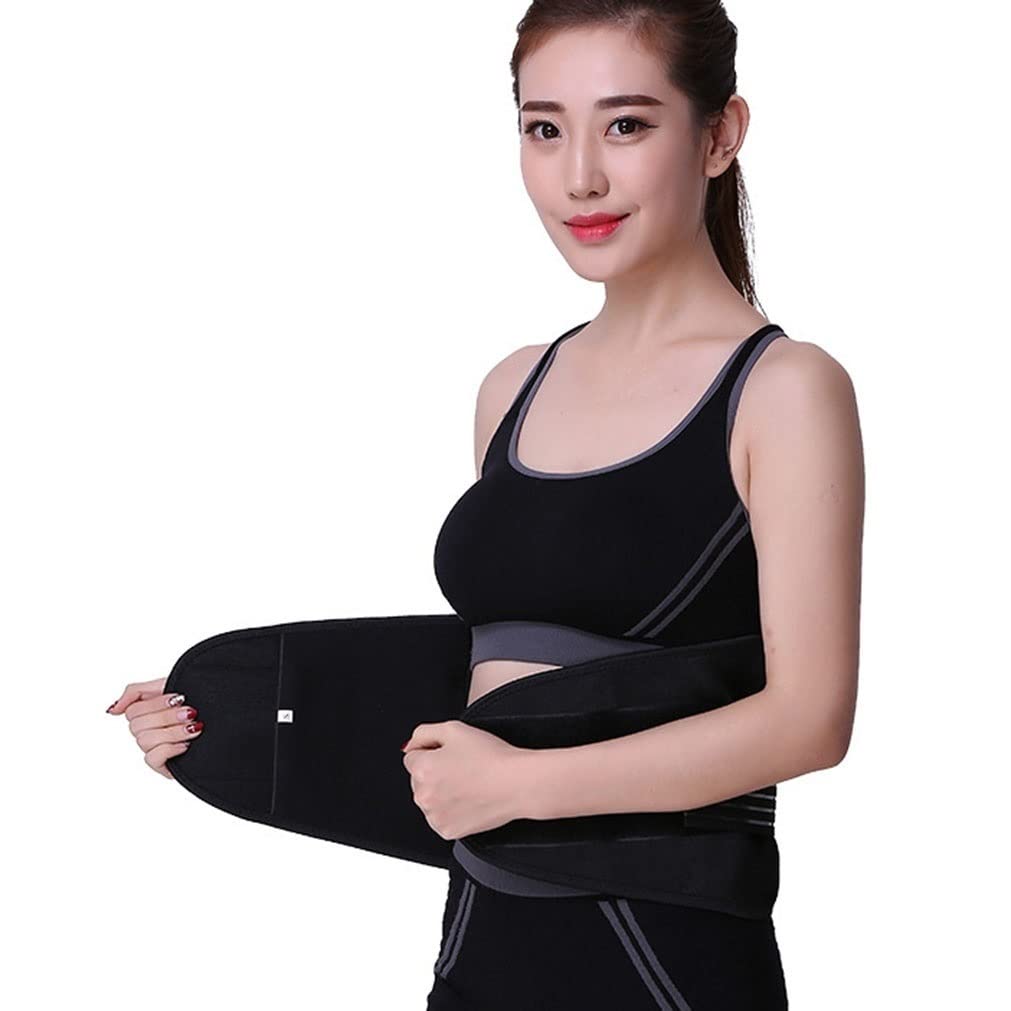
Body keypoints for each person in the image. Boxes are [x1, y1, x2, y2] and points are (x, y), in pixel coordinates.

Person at [108, 2, 863, 1008]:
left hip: (669, 967)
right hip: (479, 951)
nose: (579, 176)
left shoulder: (783, 390)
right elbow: (491, 705)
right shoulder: (513, 388)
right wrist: (222, 724)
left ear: (720, 134)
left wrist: (524, 787)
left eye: (626, 124)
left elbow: (808, 719)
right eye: (543, 127)